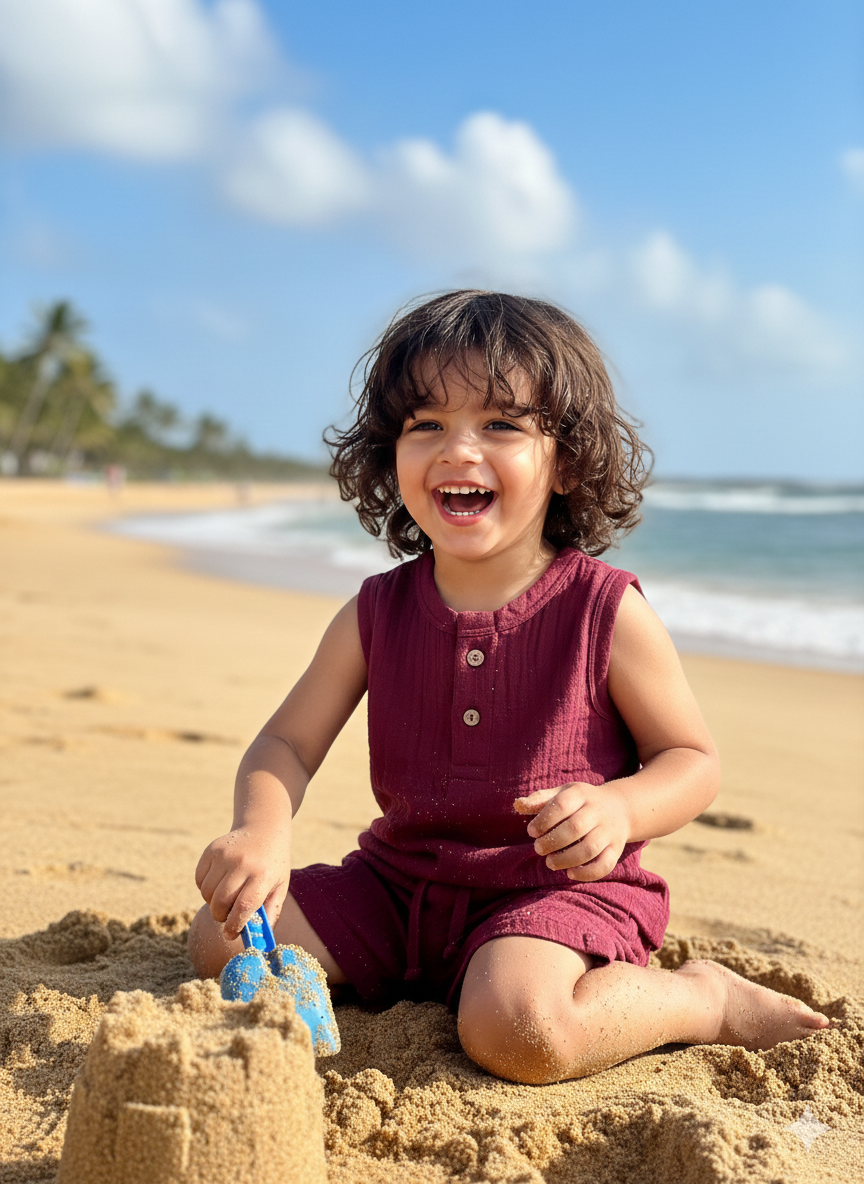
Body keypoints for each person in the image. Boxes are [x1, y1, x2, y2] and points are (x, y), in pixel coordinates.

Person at [188, 291, 830, 1084]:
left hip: (555, 893)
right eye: (426, 425)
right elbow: (285, 742)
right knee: (219, 937)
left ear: (565, 461)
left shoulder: (604, 610)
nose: (459, 449)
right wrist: (261, 834)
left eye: (500, 424)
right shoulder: (376, 611)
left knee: (522, 1030)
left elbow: (690, 757)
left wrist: (621, 807)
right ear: (390, 453)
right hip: (402, 887)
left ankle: (701, 1002)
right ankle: (405, 971)